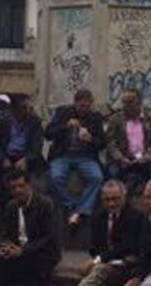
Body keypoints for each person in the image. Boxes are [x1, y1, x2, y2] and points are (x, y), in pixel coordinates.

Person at [45, 88, 107, 231]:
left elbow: (102, 143)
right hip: (63, 155)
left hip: (85, 156)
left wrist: (91, 139)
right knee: (55, 177)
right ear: (75, 103)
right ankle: (72, 207)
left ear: (91, 104)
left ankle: (81, 210)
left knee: (96, 177)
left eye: (87, 106)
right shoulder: (63, 113)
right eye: (81, 106)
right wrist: (65, 127)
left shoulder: (95, 118)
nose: (84, 109)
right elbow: (48, 133)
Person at [0, 94, 45, 207]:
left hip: (26, 157)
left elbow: (37, 145)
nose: (25, 111)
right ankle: (1, 206)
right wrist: (2, 158)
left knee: (36, 179)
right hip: (6, 156)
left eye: (26, 108)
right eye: (22, 108)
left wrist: (26, 158)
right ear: (14, 110)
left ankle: (30, 205)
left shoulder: (35, 121)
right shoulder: (3, 121)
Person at [105, 90, 151, 188]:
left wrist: (146, 158)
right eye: (124, 102)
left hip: (144, 158)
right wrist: (120, 158)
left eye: (130, 102)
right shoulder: (116, 119)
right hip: (122, 159)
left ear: (139, 102)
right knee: (112, 175)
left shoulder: (149, 118)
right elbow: (110, 142)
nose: (126, 106)